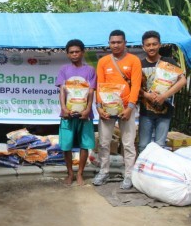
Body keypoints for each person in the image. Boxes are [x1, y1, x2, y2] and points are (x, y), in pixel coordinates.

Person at [93, 30, 142, 189]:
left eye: (119, 42)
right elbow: (99, 86)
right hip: (107, 109)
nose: (115, 45)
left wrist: (130, 108)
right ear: (109, 44)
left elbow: (136, 85)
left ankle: (129, 175)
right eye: (112, 42)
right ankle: (104, 171)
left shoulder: (134, 61)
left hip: (126, 109)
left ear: (125, 42)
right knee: (104, 142)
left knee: (128, 143)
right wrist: (99, 107)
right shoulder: (103, 62)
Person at [56, 39, 96, 186]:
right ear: (67, 54)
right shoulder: (64, 70)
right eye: (71, 52)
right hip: (68, 115)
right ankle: (70, 174)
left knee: (84, 145)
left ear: (83, 52)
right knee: (66, 145)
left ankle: (80, 174)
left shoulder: (90, 70)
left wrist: (88, 110)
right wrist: (64, 109)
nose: (74, 54)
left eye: (77, 51)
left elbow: (91, 92)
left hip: (85, 115)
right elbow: (62, 91)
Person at [138, 31, 187, 152]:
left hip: (165, 111)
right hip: (146, 112)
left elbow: (182, 81)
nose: (151, 47)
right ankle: (143, 170)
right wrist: (146, 95)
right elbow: (134, 86)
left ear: (159, 45)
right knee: (143, 145)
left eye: (154, 44)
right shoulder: (139, 64)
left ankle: (157, 170)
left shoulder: (168, 62)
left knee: (160, 146)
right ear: (143, 47)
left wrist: (164, 96)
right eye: (148, 45)